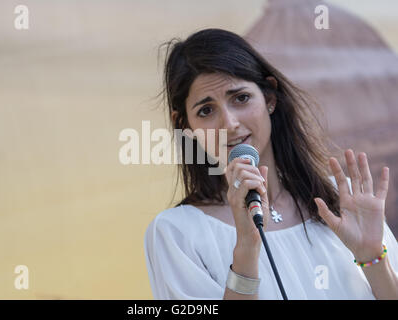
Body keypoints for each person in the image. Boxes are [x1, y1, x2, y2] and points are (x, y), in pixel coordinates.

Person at [143, 28, 398, 299]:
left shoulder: (340, 201)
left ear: (270, 98)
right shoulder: (177, 233)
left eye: (240, 98)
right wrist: (246, 248)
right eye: (206, 110)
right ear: (185, 126)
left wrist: (372, 257)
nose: (230, 123)